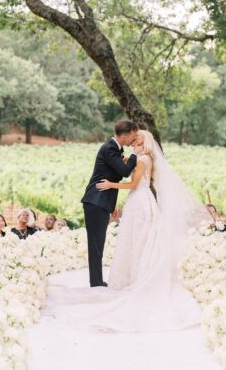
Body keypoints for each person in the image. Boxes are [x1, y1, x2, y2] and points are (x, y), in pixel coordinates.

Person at [52, 128, 211, 333]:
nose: (135, 140)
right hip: (142, 201)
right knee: (141, 240)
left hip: (139, 201)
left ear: (145, 142)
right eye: (134, 138)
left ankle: (136, 279)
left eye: (138, 138)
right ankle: (132, 275)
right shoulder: (146, 158)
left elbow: (134, 183)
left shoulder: (143, 159)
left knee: (137, 240)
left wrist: (111, 184)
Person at [81, 119, 138, 287]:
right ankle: (96, 282)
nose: (133, 140)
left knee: (98, 242)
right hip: (95, 201)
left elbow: (114, 175)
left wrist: (111, 207)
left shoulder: (115, 149)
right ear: (124, 136)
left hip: (101, 202)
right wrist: (135, 154)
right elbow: (125, 172)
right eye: (132, 137)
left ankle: (96, 281)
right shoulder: (110, 148)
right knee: (96, 243)